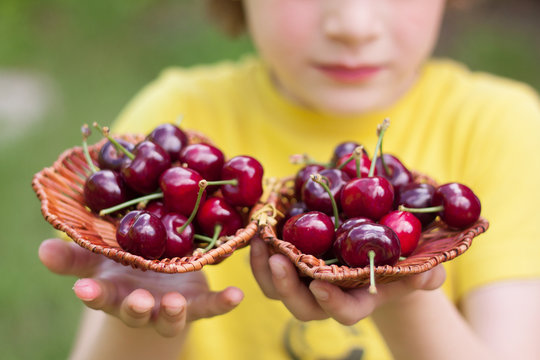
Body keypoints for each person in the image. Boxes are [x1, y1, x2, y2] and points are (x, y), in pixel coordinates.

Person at [38, 0, 540, 359]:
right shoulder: (175, 116)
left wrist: (399, 290)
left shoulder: (503, 128)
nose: (353, 24)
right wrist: (147, 310)